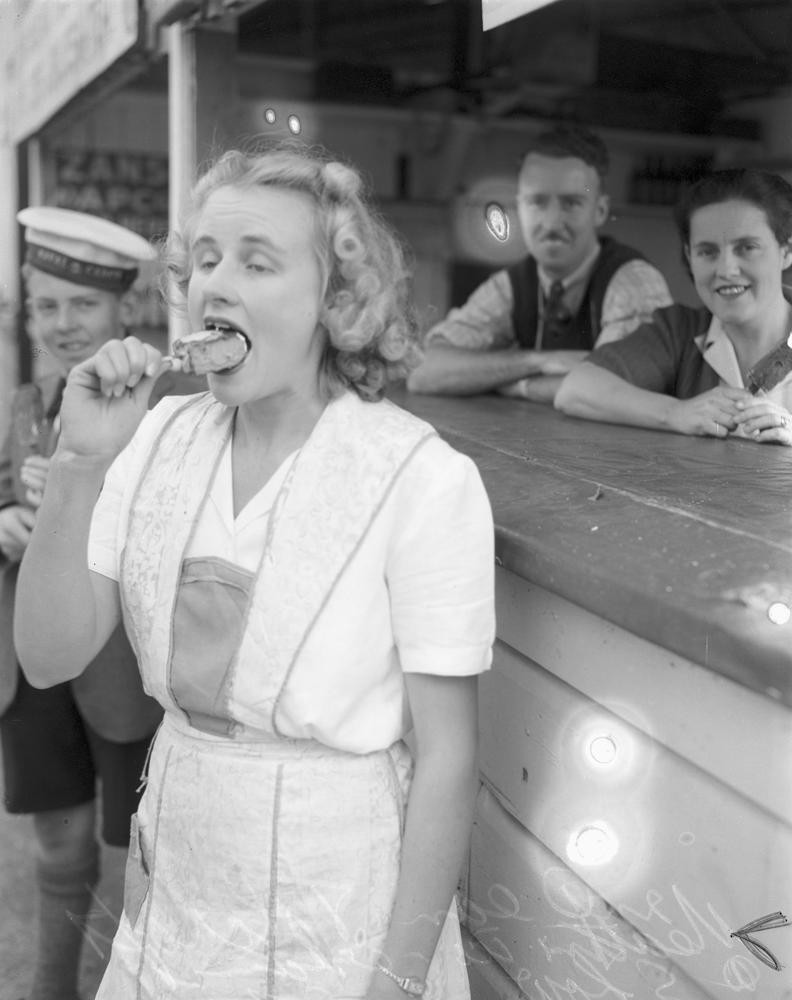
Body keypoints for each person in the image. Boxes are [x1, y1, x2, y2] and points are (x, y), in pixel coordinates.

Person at [13, 145, 496, 999]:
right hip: (175, 909)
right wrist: (81, 461)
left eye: (256, 261)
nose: (215, 284)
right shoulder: (152, 441)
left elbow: (449, 758)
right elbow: (49, 658)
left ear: (336, 300)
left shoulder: (422, 480)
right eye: (202, 260)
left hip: (342, 923)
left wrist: (399, 981)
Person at [0, 206, 203, 1000]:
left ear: (126, 307)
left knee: (136, 854)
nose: (62, 324)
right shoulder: (24, 400)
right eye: (45, 305)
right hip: (37, 658)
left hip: (126, 663)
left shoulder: (175, 399)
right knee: (57, 841)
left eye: (81, 305)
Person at [406, 124, 672, 402]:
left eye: (571, 203)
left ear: (600, 210)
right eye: (537, 202)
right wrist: (539, 362)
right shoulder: (512, 284)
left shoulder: (633, 280)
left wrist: (510, 384)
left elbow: (614, 387)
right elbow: (425, 371)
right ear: (519, 207)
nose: (552, 222)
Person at [555, 168, 792, 445]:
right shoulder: (679, 330)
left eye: (747, 247)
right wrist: (677, 413)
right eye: (707, 251)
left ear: (786, 251)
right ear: (689, 256)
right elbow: (575, 390)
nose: (726, 269)